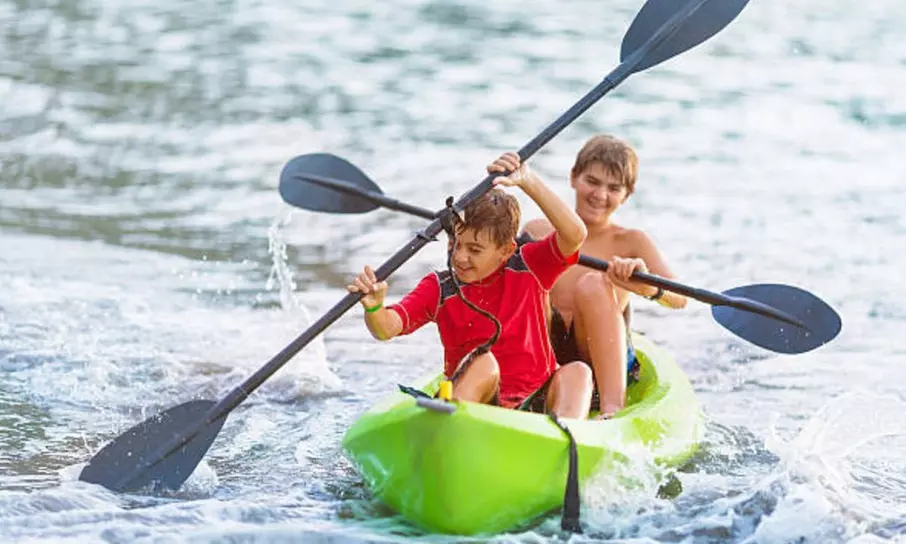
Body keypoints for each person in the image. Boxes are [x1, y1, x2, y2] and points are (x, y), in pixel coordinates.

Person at [347, 152, 595, 419]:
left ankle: (567, 434)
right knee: (484, 361)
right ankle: (452, 426)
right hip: (475, 408)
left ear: (505, 250)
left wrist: (528, 181)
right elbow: (387, 328)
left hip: (536, 401)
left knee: (578, 371)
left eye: (474, 250)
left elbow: (575, 234)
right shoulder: (440, 288)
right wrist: (374, 307)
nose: (460, 257)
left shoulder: (530, 265)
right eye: (455, 243)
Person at [519, 134, 687, 419]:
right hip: (543, 355)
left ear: (627, 195)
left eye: (613, 188)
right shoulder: (537, 231)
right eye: (592, 181)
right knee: (527, 282)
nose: (600, 195)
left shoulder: (632, 241)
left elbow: (679, 298)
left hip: (599, 362)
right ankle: (516, 388)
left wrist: (646, 287)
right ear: (573, 177)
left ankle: (611, 408)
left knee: (593, 283)